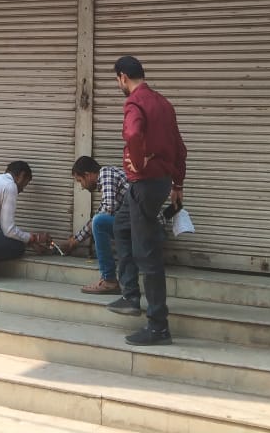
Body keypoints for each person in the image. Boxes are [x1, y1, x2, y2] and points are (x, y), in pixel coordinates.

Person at [107, 55, 186, 346]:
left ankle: (158, 326)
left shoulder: (134, 103)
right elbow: (180, 148)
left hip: (145, 184)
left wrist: (138, 162)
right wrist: (177, 184)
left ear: (123, 77)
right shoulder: (163, 104)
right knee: (121, 225)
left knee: (147, 254)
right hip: (157, 183)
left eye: (118, 80)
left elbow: (133, 133)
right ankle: (130, 295)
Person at [59, 156, 127, 294]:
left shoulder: (106, 173)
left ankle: (109, 280)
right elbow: (102, 213)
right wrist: (75, 241)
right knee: (99, 220)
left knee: (99, 222)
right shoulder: (108, 177)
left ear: (87, 175)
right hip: (136, 223)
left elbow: (107, 210)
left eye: (80, 181)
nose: (82, 186)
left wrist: (76, 240)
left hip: (142, 225)